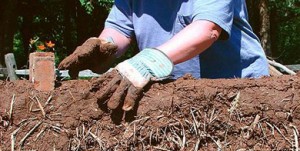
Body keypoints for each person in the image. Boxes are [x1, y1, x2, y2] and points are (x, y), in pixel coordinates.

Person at [59, 0, 269, 111]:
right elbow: (119, 29)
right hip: (172, 95)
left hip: (237, 91)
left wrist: (147, 61)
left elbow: (207, 29)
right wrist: (103, 47)